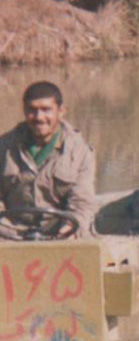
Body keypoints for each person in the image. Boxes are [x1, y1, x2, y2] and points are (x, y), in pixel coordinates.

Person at [0, 81, 96, 239]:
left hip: (62, 232)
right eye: (32, 110)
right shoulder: (4, 147)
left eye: (46, 110)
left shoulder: (80, 152)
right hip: (10, 232)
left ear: (61, 111)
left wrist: (69, 229)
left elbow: (82, 203)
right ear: (24, 111)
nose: (39, 117)